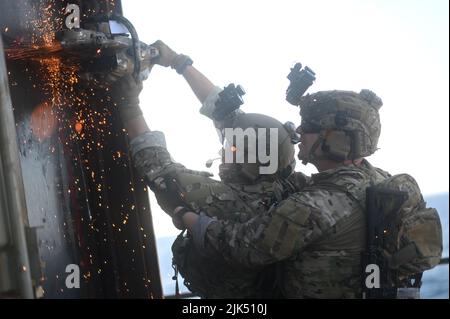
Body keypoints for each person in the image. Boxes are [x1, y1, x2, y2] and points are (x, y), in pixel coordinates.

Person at [174, 89, 443, 298]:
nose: (300, 131)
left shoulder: (316, 204)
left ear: (338, 140)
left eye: (311, 127)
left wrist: (188, 219)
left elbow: (244, 247)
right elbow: (274, 166)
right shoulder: (378, 180)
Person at [110, 41, 306, 298]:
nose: (225, 149)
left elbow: (159, 169)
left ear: (246, 163)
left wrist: (129, 104)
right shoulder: (281, 178)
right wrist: (179, 63)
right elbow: (229, 116)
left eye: (231, 148)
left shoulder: (234, 202)